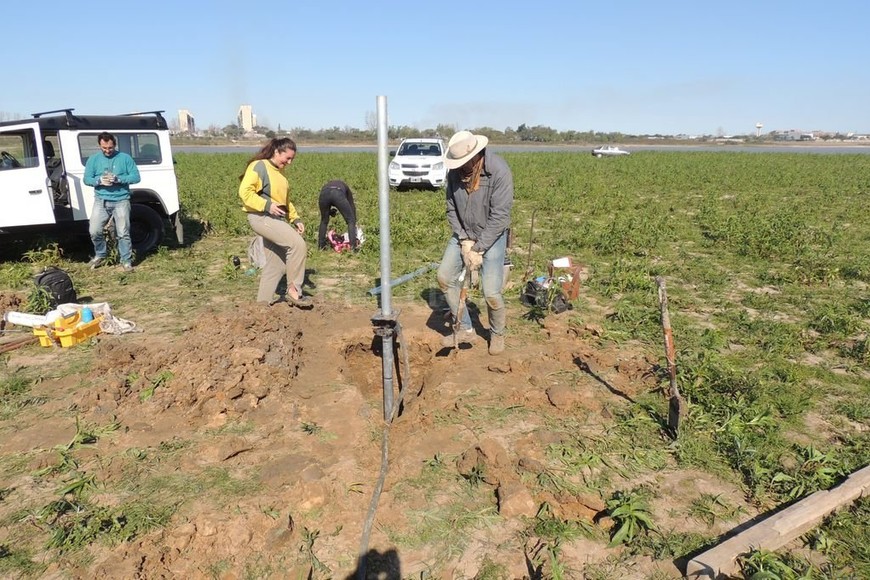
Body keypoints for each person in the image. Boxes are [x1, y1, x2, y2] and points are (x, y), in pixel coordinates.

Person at [436, 131, 513, 355]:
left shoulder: (499, 171)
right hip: (464, 235)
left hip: (492, 235)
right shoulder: (454, 174)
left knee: (490, 292)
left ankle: (497, 333)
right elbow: (451, 208)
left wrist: (479, 249)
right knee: (444, 277)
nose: (460, 168)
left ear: (476, 154)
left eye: (463, 163)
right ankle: (467, 329)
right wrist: (463, 239)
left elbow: (500, 217)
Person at [238, 137, 312, 308]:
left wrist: (295, 218)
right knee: (297, 245)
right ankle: (294, 292)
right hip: (261, 217)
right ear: (277, 152)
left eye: (292, 159)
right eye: (287, 158)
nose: (290, 162)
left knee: (276, 264)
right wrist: (267, 205)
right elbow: (245, 192)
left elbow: (285, 202)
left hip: (274, 220)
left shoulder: (280, 175)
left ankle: (261, 306)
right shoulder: (259, 166)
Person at [83, 132, 141, 272]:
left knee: (123, 232)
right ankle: (100, 254)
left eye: (110, 148)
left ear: (114, 145)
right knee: (94, 230)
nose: (107, 151)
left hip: (121, 200)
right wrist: (98, 181)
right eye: (104, 148)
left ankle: (126, 261)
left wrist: (119, 179)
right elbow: (86, 179)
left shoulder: (125, 158)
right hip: (101, 200)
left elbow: (136, 177)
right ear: (99, 145)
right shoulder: (93, 159)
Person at [317, 179, 359, 251]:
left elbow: (328, 201)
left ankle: (321, 246)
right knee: (350, 220)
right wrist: (353, 220)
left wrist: (329, 212)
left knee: (324, 220)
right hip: (337, 193)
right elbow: (351, 205)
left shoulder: (327, 186)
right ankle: (353, 248)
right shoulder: (347, 189)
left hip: (323, 194)